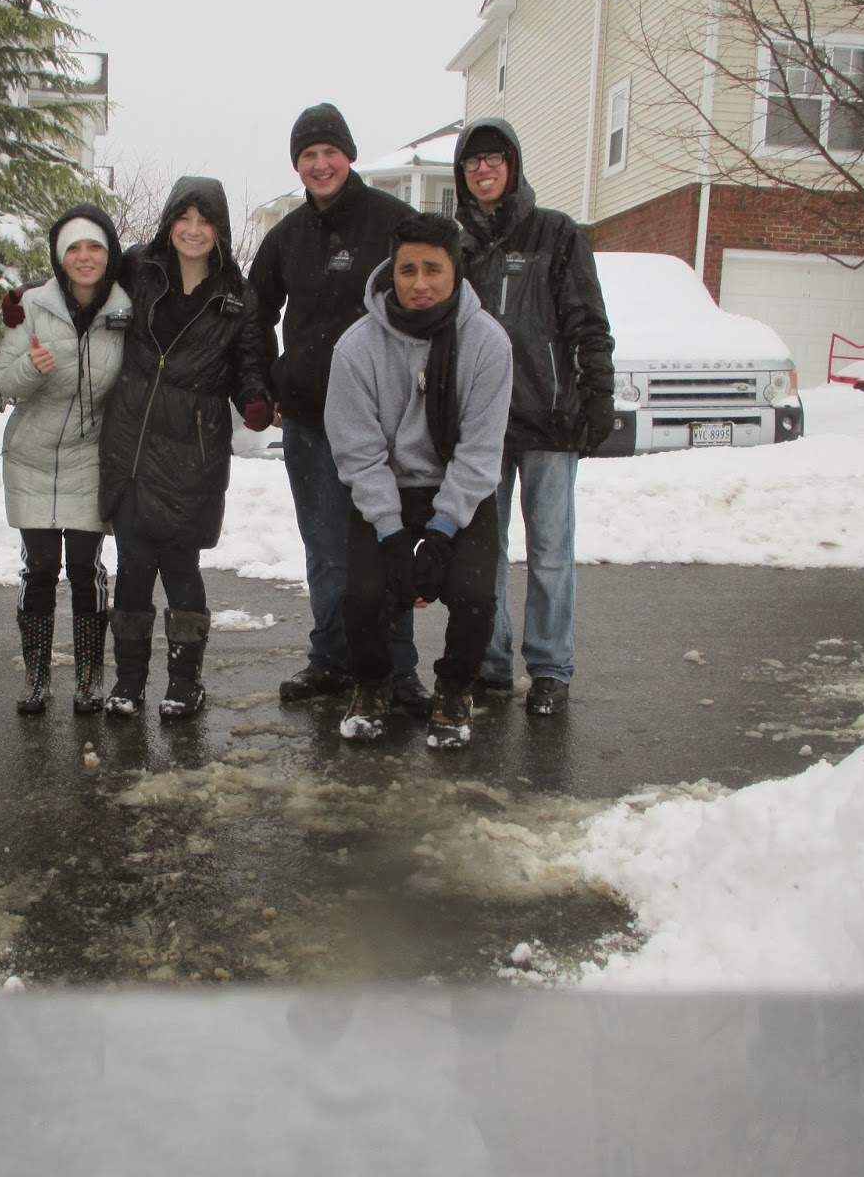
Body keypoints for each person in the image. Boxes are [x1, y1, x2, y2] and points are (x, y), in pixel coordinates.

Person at [247, 104, 428, 714]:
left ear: (349, 155)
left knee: (386, 540)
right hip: (309, 420)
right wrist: (265, 382)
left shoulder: (392, 222)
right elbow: (254, 312)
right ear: (297, 165)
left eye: (329, 152)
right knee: (325, 548)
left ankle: (398, 669)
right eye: (308, 155)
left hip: (383, 421)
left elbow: (426, 299)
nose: (320, 164)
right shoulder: (287, 235)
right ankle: (330, 660)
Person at [326, 213, 513, 748]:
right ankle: (372, 685)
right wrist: (391, 535)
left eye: (434, 269)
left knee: (475, 595)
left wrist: (442, 532)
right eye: (407, 270)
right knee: (363, 596)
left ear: (456, 271)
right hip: (387, 488)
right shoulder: (356, 348)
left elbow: (481, 451)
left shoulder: (488, 343)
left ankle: (455, 691)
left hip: (460, 490)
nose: (420, 283)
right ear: (392, 272)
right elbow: (358, 454)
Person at [452, 118, 615, 716]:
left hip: (550, 418)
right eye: (473, 162)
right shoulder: (457, 247)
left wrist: (598, 394)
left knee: (549, 551)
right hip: (482, 425)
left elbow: (588, 322)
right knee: (484, 554)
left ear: (513, 165)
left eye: (493, 159)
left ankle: (550, 668)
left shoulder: (557, 234)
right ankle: (490, 663)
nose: (483, 170)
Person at [97, 176, 269, 720]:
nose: (193, 230)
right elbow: (81, 281)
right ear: (170, 221)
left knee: (179, 566)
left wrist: (256, 399)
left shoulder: (236, 296)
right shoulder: (137, 268)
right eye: (184, 217)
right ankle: (128, 681)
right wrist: (27, 302)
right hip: (131, 442)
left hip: (193, 451)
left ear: (220, 230)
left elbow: (250, 365)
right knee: (132, 564)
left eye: (205, 220)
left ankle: (184, 683)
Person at [0, 205, 130, 715]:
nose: (84, 257)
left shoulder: (126, 311)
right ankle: (36, 677)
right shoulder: (31, 305)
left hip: (91, 455)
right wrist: (31, 367)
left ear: (109, 254)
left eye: (95, 247)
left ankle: (90, 678)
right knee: (41, 567)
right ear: (58, 256)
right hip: (31, 456)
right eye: (74, 248)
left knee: (85, 567)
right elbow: (1, 379)